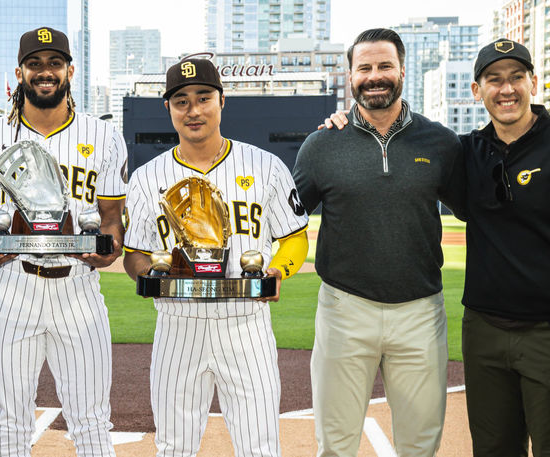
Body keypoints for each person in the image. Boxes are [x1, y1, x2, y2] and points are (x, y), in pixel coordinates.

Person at [123, 58, 309, 457]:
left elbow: (295, 239)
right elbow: (134, 254)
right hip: (177, 322)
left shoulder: (265, 167)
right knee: (173, 447)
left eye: (203, 98)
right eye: (181, 101)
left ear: (222, 101)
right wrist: (150, 276)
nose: (193, 110)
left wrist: (280, 271)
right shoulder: (146, 178)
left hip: (245, 322)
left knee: (260, 444)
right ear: (169, 109)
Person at [292, 28, 464, 456]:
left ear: (402, 70)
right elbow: (286, 216)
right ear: (350, 76)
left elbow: (476, 209)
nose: (375, 76)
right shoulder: (321, 144)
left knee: (421, 446)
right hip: (345, 310)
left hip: (420, 312)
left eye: (384, 65)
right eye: (364, 67)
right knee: (335, 445)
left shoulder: (440, 141)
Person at [0, 27, 126, 457]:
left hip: (79, 287)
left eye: (54, 63)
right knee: (10, 424)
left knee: (91, 422)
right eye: (35, 64)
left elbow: (111, 220)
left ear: (70, 70)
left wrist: (106, 249)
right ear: (20, 72)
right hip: (13, 285)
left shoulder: (104, 135)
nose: (45, 72)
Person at [459, 38, 550, 457]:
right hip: (485, 332)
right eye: (494, 80)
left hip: (545, 331)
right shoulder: (464, 152)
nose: (507, 88)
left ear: (534, 82)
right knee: (494, 449)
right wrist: (345, 122)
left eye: (516, 77)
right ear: (478, 91)